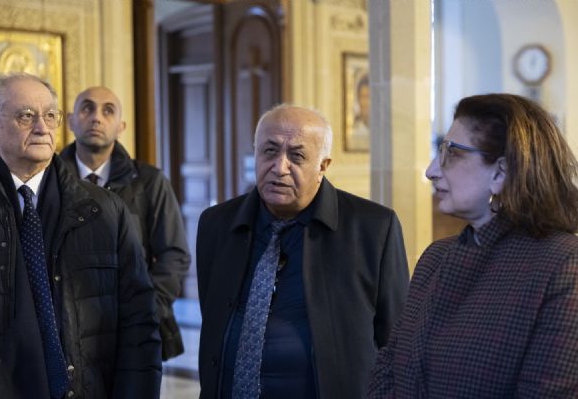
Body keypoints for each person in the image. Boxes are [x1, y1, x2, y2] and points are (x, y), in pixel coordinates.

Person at [368, 93, 578, 398]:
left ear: (500, 172)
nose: (431, 170)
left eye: (451, 153)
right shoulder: (436, 257)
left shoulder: (564, 265)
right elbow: (387, 368)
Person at [197, 104, 409, 399]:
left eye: (296, 156)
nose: (279, 167)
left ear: (323, 166)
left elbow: (396, 341)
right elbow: (213, 316)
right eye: (269, 151)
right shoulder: (217, 224)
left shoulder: (373, 228)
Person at [0, 73, 161, 398]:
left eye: (50, 115)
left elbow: (139, 322)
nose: (42, 128)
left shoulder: (105, 209)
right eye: (26, 116)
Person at [61, 86, 191, 361]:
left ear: (121, 126)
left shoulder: (149, 181)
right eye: (87, 108)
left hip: (135, 323)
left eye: (108, 111)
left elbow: (174, 255)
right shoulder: (51, 181)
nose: (96, 117)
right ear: (71, 120)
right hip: (66, 325)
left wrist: (148, 308)